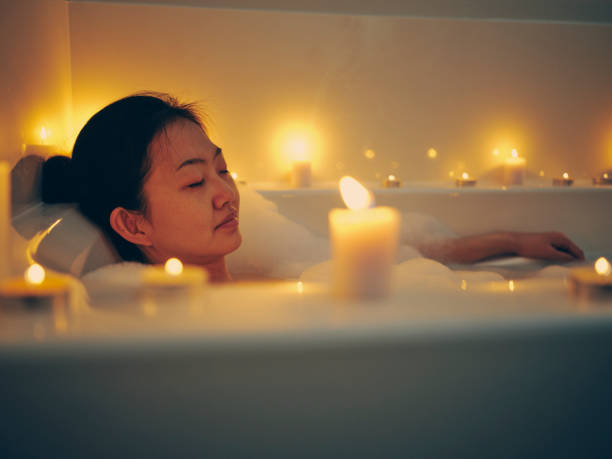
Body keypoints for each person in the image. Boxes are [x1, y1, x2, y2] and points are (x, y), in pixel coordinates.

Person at [41, 93, 584, 282]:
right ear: (133, 223)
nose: (227, 193)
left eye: (223, 170)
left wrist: (512, 240)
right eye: (195, 182)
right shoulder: (168, 329)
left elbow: (400, 257)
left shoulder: (275, 268)